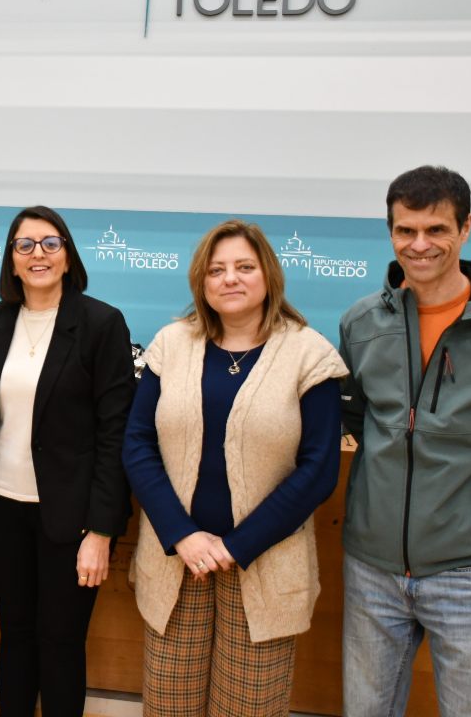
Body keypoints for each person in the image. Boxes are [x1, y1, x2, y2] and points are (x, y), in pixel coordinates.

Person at [339, 166, 471, 717]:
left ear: (466, 229)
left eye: (436, 229)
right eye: (405, 230)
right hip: (372, 570)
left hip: (469, 573)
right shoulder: (361, 322)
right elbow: (359, 422)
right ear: (390, 232)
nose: (420, 244)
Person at [122, 219, 346, 716]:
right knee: (168, 705)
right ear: (202, 281)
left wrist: (235, 546)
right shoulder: (171, 344)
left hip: (264, 568)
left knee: (248, 709)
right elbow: (137, 444)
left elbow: (319, 471)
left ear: (268, 274)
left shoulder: (309, 354)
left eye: (245, 267)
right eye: (217, 269)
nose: (231, 278)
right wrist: (182, 534)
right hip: (176, 564)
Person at [0, 206, 135, 716]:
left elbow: (113, 434)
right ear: (11, 261)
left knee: (60, 642)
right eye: (25, 245)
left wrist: (102, 531)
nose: (38, 254)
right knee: (14, 636)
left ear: (68, 255)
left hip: (70, 517)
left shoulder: (102, 324)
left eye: (50, 243)